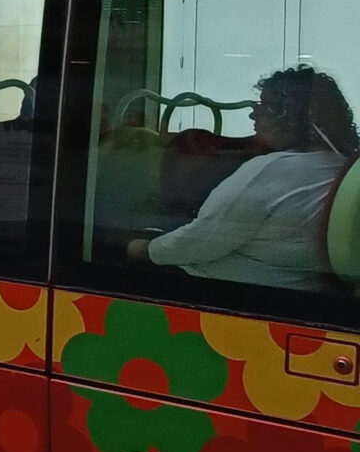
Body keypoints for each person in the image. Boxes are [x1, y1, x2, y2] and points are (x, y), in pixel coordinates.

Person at [137, 65, 357, 291]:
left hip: (220, 293)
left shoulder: (271, 170)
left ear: (289, 115)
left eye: (264, 106)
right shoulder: (342, 165)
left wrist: (143, 249)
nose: (253, 114)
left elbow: (198, 242)